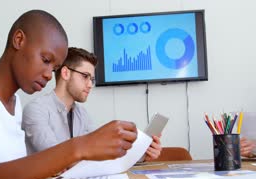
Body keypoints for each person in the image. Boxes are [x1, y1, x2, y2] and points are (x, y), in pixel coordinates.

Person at [0, 10, 138, 179]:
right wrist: (80, 147)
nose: (48, 75)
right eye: (46, 60)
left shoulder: (15, 106)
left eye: (54, 69)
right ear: (19, 40)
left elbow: (14, 177)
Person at [22, 47, 162, 161]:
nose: (90, 85)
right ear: (65, 73)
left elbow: (100, 155)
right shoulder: (36, 110)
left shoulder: (82, 114)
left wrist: (142, 154)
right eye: (85, 76)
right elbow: (56, 158)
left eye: (92, 79)